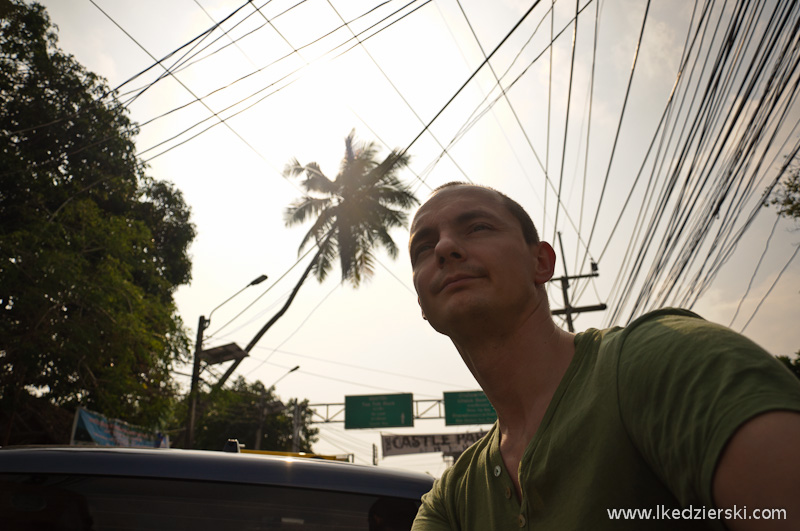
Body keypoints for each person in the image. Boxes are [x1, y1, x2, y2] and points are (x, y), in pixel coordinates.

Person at [408, 182, 800, 530]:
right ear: (422, 303)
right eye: (424, 248)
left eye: (477, 227)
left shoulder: (659, 360)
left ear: (541, 263)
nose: (443, 247)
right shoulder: (450, 501)